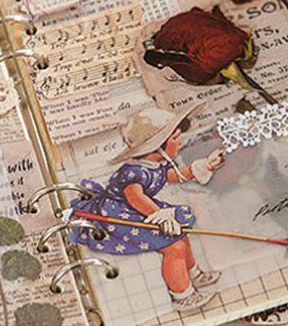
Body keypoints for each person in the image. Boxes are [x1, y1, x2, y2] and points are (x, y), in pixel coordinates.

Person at [69, 104, 224, 311]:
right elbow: (135, 197)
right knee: (174, 247)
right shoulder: (134, 172)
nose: (180, 142)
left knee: (181, 234)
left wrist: (204, 166)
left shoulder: (157, 164)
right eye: (175, 138)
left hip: (141, 210)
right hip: (122, 215)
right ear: (156, 146)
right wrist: (160, 215)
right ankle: (182, 295)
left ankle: (193, 274)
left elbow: (171, 176)